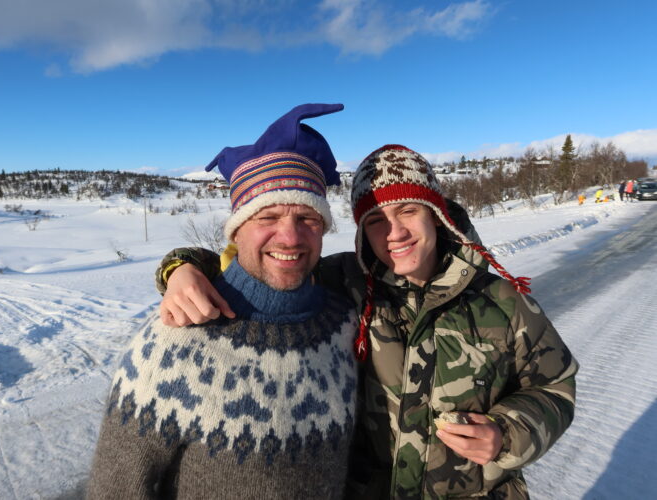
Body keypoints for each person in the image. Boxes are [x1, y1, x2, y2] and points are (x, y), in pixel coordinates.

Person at [159, 145, 579, 499]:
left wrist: (506, 433)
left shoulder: (501, 299)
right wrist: (182, 269)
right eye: (376, 219)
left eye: (408, 211)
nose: (393, 232)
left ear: (436, 213)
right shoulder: (342, 282)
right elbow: (258, 267)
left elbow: (554, 387)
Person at [87, 103, 362, 499]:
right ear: (236, 232)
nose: (290, 237)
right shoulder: (175, 339)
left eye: (308, 219)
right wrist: (178, 268)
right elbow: (115, 491)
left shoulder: (344, 322)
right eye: (266, 218)